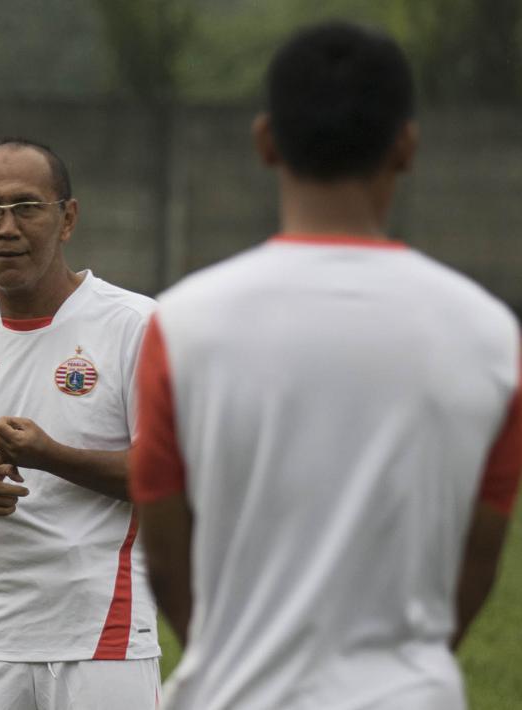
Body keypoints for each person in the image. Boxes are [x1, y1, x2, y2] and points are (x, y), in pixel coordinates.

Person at [130, 21, 521, 710]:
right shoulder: (489, 336)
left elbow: (164, 552)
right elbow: (477, 557)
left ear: (264, 141)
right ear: (406, 145)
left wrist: (238, 652)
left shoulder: (183, 324)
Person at [0, 138, 161, 709]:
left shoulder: (135, 325)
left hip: (102, 637)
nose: (6, 228)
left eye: (26, 207)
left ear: (68, 218)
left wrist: (50, 455)